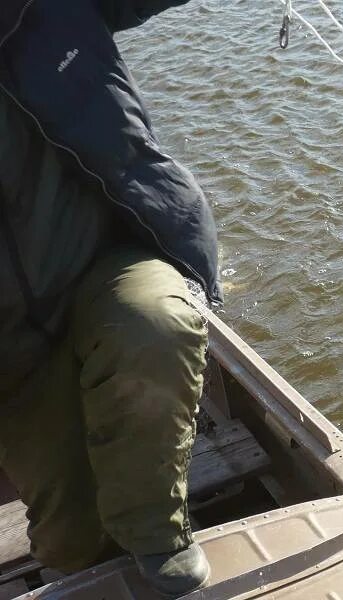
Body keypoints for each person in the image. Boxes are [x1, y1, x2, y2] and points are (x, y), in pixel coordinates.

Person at [0, 1, 223, 596]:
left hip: (104, 265)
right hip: (12, 346)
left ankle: (156, 530)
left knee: (158, 321)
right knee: (72, 543)